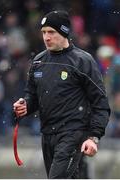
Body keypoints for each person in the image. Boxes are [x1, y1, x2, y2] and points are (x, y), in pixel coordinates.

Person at [13, 10, 110, 179]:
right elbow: (32, 96)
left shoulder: (82, 61)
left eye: (51, 32)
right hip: (47, 135)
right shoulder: (38, 62)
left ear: (64, 32)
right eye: (44, 32)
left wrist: (94, 137)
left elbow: (100, 103)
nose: (46, 37)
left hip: (73, 134)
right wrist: (25, 105)